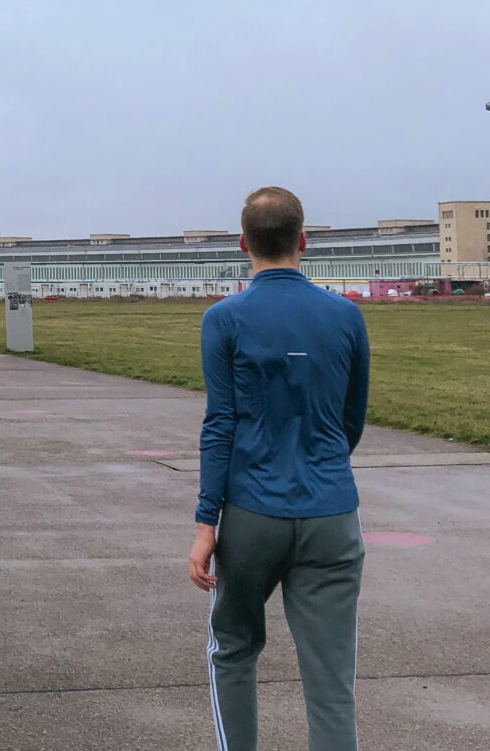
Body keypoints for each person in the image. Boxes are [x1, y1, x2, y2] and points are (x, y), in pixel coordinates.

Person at [189, 187, 370, 751]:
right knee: (331, 678)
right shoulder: (346, 316)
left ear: (243, 243)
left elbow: (220, 425)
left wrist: (204, 524)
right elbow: (351, 420)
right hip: (332, 513)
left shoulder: (224, 319)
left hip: (251, 514)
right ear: (303, 241)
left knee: (234, 650)